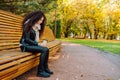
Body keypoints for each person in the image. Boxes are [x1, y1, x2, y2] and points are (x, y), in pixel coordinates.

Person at [19, 11, 53, 77]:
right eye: (40, 19)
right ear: (36, 18)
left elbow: (34, 39)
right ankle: (40, 71)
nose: (41, 22)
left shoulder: (36, 27)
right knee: (44, 50)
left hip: (30, 45)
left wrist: (43, 42)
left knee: (46, 49)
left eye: (42, 20)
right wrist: (38, 44)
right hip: (25, 46)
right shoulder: (28, 24)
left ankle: (45, 68)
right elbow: (27, 39)